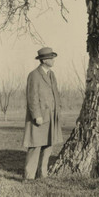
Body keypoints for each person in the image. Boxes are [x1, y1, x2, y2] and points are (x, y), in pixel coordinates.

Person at [22, 47, 63, 180]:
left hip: (52, 117)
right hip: (40, 117)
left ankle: (42, 175)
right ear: (44, 60)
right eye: (51, 58)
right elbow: (32, 97)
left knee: (48, 145)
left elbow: (55, 94)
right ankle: (29, 177)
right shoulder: (34, 75)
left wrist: (58, 111)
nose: (53, 60)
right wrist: (36, 115)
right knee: (35, 146)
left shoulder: (52, 74)